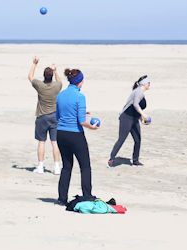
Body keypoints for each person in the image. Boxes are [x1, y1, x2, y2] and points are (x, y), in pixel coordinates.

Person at [56, 68, 100, 204]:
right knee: (85, 166)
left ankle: (62, 198)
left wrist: (80, 112)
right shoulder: (80, 97)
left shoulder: (60, 95)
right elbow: (82, 121)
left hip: (61, 134)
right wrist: (92, 127)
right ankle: (87, 195)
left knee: (66, 166)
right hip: (75, 135)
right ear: (79, 81)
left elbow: (58, 116)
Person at [28, 57, 62, 175]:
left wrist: (34, 64)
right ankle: (57, 167)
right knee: (55, 142)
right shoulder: (56, 87)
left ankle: (40, 166)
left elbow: (30, 77)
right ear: (51, 76)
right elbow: (60, 82)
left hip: (42, 116)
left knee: (41, 142)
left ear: (44, 76)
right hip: (54, 116)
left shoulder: (40, 85)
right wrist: (55, 71)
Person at [108, 75, 151, 167]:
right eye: (148, 83)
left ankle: (135, 161)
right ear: (144, 84)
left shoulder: (141, 92)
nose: (149, 84)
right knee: (122, 139)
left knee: (137, 139)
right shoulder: (138, 92)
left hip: (134, 118)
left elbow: (136, 108)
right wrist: (144, 114)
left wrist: (141, 119)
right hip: (126, 118)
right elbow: (135, 105)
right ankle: (111, 159)